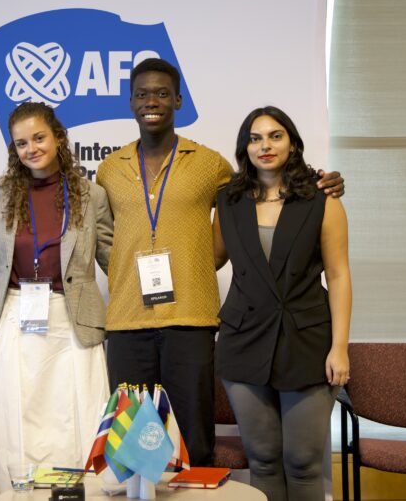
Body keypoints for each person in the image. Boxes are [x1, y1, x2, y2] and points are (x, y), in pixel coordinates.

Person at [95, 58, 344, 466]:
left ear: (177, 100)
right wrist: (120, 268)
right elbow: (101, 233)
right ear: (130, 102)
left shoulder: (210, 164)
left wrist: (320, 180)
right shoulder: (109, 168)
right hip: (126, 320)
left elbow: (262, 191)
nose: (151, 101)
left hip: (191, 317)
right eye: (141, 94)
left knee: (192, 438)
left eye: (161, 93)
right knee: (132, 445)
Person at [0, 102, 113, 501]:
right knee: (16, 423)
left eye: (38, 138)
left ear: (59, 138)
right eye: (20, 143)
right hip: (15, 316)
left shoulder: (90, 194)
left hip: (73, 323)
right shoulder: (1, 191)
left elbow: (114, 258)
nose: (30, 148)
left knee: (75, 420)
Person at [212, 106, 352, 501]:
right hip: (244, 341)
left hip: (308, 343)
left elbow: (338, 275)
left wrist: (339, 347)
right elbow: (211, 258)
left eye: (275, 136)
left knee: (304, 463)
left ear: (292, 143)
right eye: (255, 138)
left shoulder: (322, 198)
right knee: (263, 460)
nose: (265, 146)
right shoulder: (228, 200)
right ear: (244, 148)